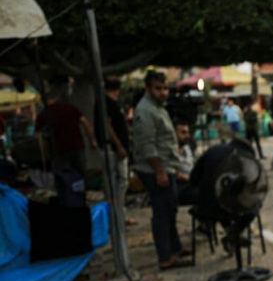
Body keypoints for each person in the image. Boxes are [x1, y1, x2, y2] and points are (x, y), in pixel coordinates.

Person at [133, 71, 188, 269]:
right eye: (158, 88)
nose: (163, 92)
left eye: (165, 88)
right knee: (162, 212)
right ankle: (165, 257)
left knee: (170, 208)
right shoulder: (145, 111)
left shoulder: (158, 107)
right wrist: (160, 171)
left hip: (166, 166)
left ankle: (175, 248)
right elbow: (147, 145)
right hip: (155, 169)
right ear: (147, 88)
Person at [35, 85, 98, 175]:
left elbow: (38, 136)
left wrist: (44, 153)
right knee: (81, 175)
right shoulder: (70, 108)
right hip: (77, 146)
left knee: (65, 177)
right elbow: (86, 123)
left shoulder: (43, 114)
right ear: (56, 98)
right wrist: (92, 141)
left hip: (59, 150)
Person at [103, 79, 133, 223]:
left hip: (118, 147)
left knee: (122, 182)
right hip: (115, 149)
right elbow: (108, 126)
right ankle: (117, 213)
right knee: (120, 182)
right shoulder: (107, 103)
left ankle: (119, 212)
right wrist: (119, 145)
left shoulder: (113, 103)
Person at [175, 122, 198, 205]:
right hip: (180, 187)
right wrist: (192, 178)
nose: (187, 136)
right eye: (183, 132)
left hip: (192, 184)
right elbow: (175, 174)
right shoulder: (171, 151)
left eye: (188, 132)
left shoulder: (187, 148)